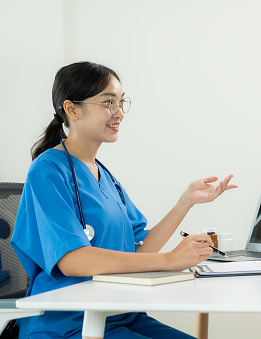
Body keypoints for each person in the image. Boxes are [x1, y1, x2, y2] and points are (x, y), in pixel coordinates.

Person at [11, 61, 237, 339]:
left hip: (119, 314)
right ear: (72, 109)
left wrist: (185, 201)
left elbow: (138, 250)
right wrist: (170, 260)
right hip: (69, 322)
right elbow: (72, 260)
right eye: (108, 103)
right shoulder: (48, 171)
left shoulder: (104, 175)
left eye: (121, 102)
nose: (119, 113)